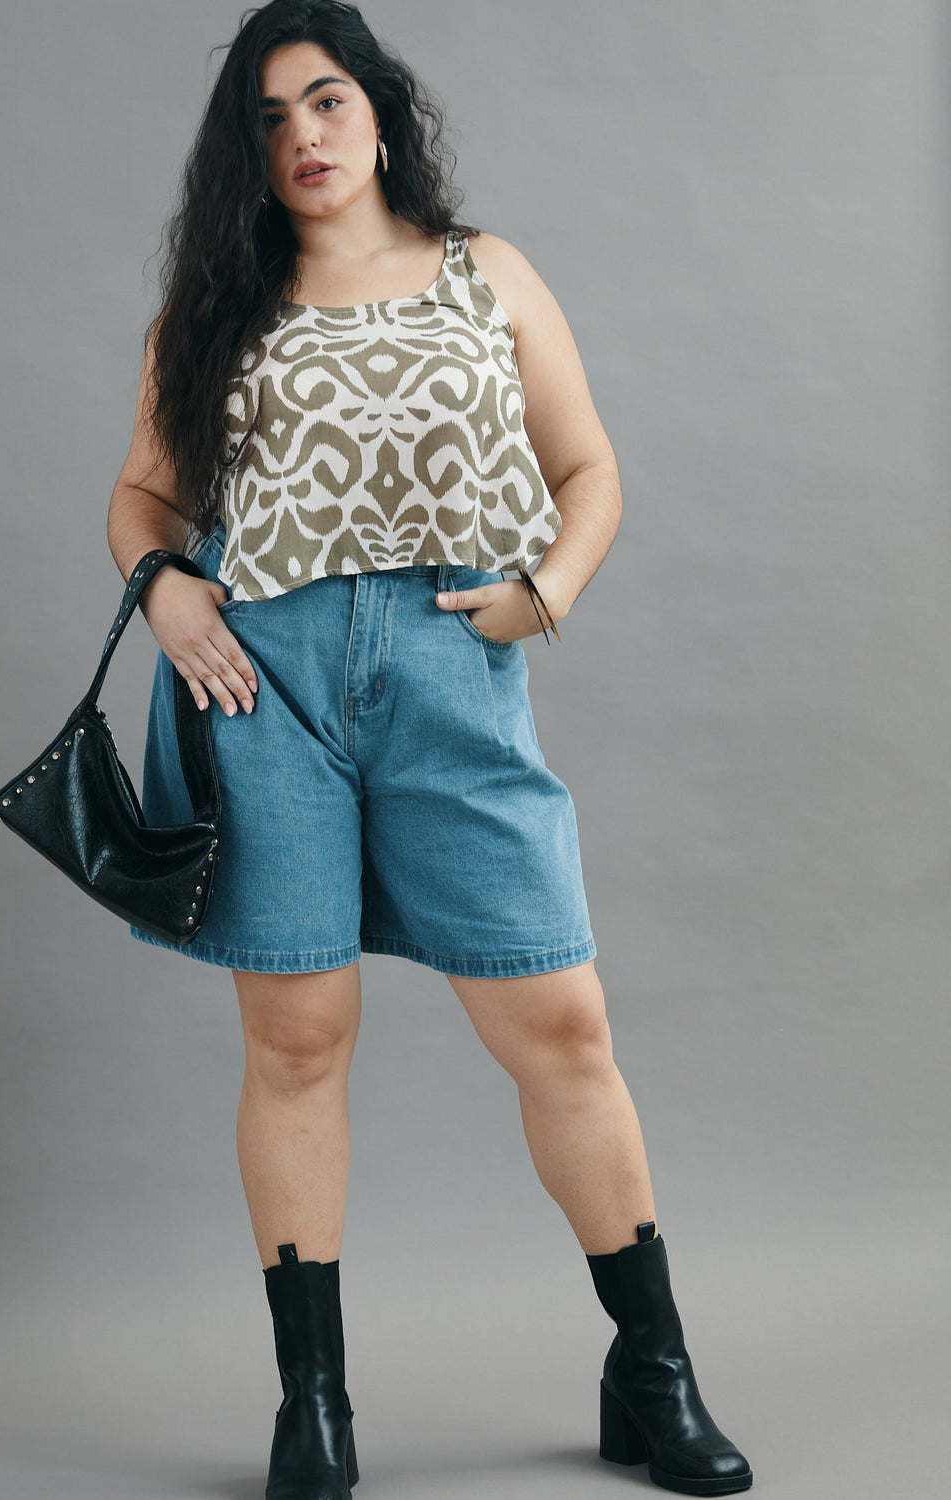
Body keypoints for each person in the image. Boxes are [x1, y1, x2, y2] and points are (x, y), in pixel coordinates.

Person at [106, 3, 753, 1496]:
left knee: (563, 1031)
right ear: (245, 157)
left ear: (380, 113)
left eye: (324, 102)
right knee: (297, 1040)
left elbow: (586, 469)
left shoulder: (488, 277)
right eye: (266, 122)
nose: (303, 139)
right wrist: (165, 585)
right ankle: (312, 1410)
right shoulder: (218, 306)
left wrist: (547, 594)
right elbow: (142, 497)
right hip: (259, 689)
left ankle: (651, 1373)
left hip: (451, 678)